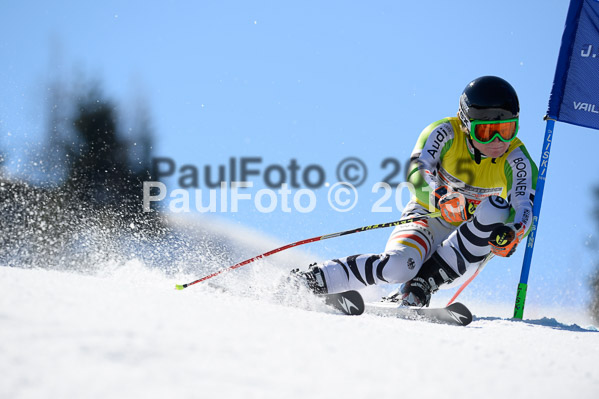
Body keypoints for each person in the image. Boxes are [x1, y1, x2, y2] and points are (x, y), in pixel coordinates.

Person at [294, 75, 538, 307]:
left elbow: (525, 209)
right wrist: (441, 197)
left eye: (506, 130)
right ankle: (314, 280)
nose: (497, 142)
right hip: (427, 216)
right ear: (465, 124)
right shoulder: (445, 132)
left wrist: (513, 233)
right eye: (485, 132)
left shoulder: (518, 160)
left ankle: (423, 284)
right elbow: (416, 174)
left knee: (497, 208)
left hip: (469, 244)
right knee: (398, 268)